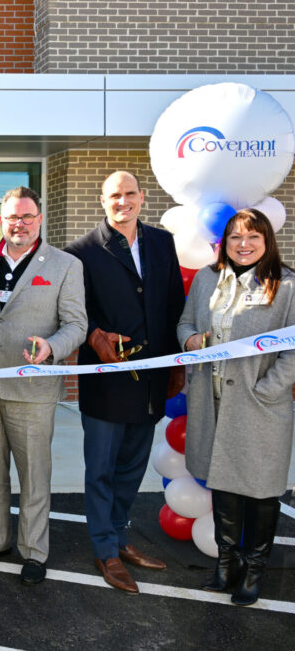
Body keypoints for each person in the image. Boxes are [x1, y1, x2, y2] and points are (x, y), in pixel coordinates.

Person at [64, 171, 185, 594]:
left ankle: (118, 537)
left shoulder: (161, 242)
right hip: (107, 379)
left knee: (132, 466)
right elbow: (75, 313)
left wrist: (177, 364)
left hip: (152, 378)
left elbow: (174, 304)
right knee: (101, 469)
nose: (123, 201)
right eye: (115, 195)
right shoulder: (79, 252)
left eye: (130, 194)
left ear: (142, 197)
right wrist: (96, 335)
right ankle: (105, 550)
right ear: (103, 200)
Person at [0, 186, 87, 585]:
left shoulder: (65, 265)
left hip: (33, 389)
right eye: (12, 217)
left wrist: (53, 346)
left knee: (34, 474)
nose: (19, 223)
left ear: (39, 219)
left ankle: (34, 551)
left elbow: (77, 325)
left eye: (27, 216)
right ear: (1, 221)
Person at [177, 208, 295, 606]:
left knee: (260, 491)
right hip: (211, 401)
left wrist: (268, 389)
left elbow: (292, 352)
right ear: (223, 243)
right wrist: (192, 340)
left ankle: (254, 570)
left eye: (252, 238)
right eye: (235, 238)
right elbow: (184, 324)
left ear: (267, 241)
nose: (243, 245)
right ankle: (226, 566)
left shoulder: (286, 284)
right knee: (223, 484)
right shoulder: (208, 280)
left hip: (260, 405)